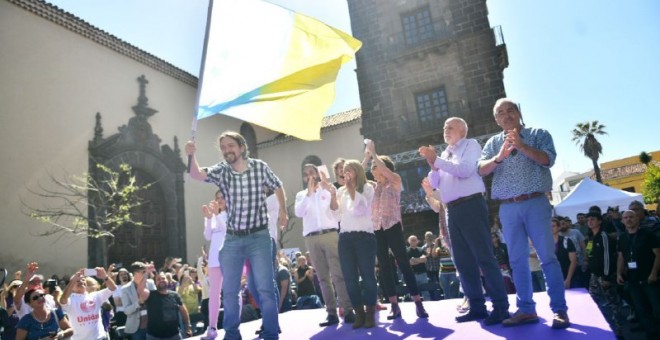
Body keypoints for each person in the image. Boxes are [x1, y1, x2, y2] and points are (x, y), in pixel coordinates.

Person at [478, 98, 569, 329]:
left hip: (535, 201)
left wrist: (522, 146)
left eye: (511, 110)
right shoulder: (492, 143)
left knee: (547, 258)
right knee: (517, 260)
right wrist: (500, 156)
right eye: (501, 112)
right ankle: (526, 309)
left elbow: (548, 159)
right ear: (496, 119)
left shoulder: (539, 134)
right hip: (508, 207)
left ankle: (559, 310)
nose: (506, 115)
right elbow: (480, 169)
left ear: (518, 113)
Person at [186, 131, 287, 340]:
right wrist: (191, 155)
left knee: (265, 288)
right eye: (223, 147)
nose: (226, 151)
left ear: (241, 147)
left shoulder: (260, 167)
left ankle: (270, 333)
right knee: (230, 291)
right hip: (232, 239)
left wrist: (284, 211)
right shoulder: (222, 171)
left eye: (230, 146)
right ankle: (231, 334)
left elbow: (278, 185)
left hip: (259, 236)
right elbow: (196, 174)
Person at [419, 117, 510, 324]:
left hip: (471, 205)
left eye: (450, 127)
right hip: (451, 209)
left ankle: (500, 306)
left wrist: (439, 161)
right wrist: (433, 165)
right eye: (444, 127)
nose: (445, 130)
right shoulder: (444, 153)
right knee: (462, 261)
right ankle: (477, 307)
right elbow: (435, 183)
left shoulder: (471, 145)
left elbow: (466, 170)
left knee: (484, 257)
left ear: (462, 130)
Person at [364, 140, 429, 320]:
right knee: (385, 267)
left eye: (375, 167)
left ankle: (418, 302)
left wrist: (375, 155)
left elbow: (385, 171)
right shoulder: (372, 187)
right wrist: (367, 156)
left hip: (392, 227)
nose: (372, 169)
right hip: (377, 229)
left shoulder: (395, 181)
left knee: (404, 264)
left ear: (383, 167)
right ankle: (394, 305)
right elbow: (359, 177)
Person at [294, 164, 354, 325]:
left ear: (318, 174)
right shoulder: (301, 195)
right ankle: (331, 313)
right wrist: (309, 193)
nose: (309, 176)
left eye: (312, 173)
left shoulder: (328, 190)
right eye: (306, 174)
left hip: (330, 234)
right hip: (311, 238)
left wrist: (332, 195)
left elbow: (336, 210)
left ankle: (348, 310)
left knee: (338, 275)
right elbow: (298, 213)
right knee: (322, 278)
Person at [331, 159, 377, 329]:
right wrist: (331, 198)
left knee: (368, 277)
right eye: (344, 171)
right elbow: (336, 216)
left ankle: (370, 313)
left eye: (349, 170)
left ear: (357, 171)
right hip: (345, 238)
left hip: (365, 237)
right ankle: (359, 313)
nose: (345, 173)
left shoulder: (367, 188)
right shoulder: (340, 191)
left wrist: (351, 190)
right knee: (350, 279)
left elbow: (360, 210)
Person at [617, 210, 660, 339]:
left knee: (657, 308)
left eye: (631, 217)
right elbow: (621, 256)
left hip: (649, 279)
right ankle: (651, 334)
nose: (628, 219)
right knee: (641, 310)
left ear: (637, 218)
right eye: (625, 217)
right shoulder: (623, 237)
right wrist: (619, 273)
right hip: (633, 280)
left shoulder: (648, 235)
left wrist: (654, 273)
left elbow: (658, 254)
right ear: (622, 221)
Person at [584, 212, 623, 338]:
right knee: (592, 302)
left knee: (613, 304)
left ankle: (619, 331)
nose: (590, 222)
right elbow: (590, 254)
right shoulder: (590, 236)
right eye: (588, 219)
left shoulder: (603, 236)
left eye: (593, 219)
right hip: (594, 275)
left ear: (599, 221)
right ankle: (601, 330)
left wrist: (606, 277)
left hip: (605, 276)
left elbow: (607, 257)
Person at [60, 266, 116, 340]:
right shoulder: (70, 300)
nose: (81, 281)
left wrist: (105, 276)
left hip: (99, 338)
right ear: (71, 285)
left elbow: (113, 288)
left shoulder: (96, 296)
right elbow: (63, 300)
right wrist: (73, 280)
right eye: (77, 280)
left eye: (83, 280)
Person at [200, 191, 227, 339]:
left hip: (230, 257)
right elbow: (208, 236)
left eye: (222, 198)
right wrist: (209, 218)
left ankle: (233, 325)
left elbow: (228, 231)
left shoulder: (232, 214)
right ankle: (212, 327)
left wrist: (216, 215)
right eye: (217, 198)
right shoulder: (212, 216)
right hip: (214, 259)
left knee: (231, 292)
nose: (220, 200)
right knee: (214, 294)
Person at [137, 270, 192, 340]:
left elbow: (184, 311)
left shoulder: (175, 295)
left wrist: (188, 326)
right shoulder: (150, 295)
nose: (161, 280)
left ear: (168, 280)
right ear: (155, 283)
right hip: (154, 336)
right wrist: (145, 274)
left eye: (163, 278)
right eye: (158, 279)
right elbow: (140, 291)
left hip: (174, 335)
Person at [121, 262, 156, 340]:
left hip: (152, 325)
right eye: (143, 272)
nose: (145, 273)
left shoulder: (150, 283)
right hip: (137, 329)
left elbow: (156, 301)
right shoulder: (125, 289)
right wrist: (138, 303)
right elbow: (127, 310)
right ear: (135, 273)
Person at [551, 219, 578, 289]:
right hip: (552, 277)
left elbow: (573, 261)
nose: (550, 228)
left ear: (559, 227)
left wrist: (568, 279)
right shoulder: (545, 243)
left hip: (567, 276)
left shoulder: (567, 241)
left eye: (553, 226)